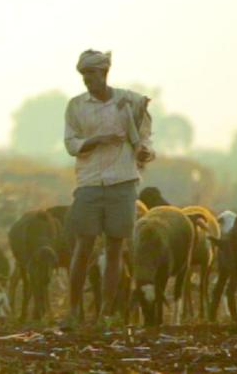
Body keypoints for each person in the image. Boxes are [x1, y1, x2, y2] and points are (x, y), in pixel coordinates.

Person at [62, 49, 154, 327]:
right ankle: (74, 311)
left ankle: (107, 313)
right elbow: (71, 144)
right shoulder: (76, 106)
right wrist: (99, 139)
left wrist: (143, 153)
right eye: (83, 74)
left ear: (104, 73)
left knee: (115, 249)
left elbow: (146, 140)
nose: (87, 79)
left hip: (123, 182)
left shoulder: (131, 103)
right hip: (89, 182)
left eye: (91, 73)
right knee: (83, 246)